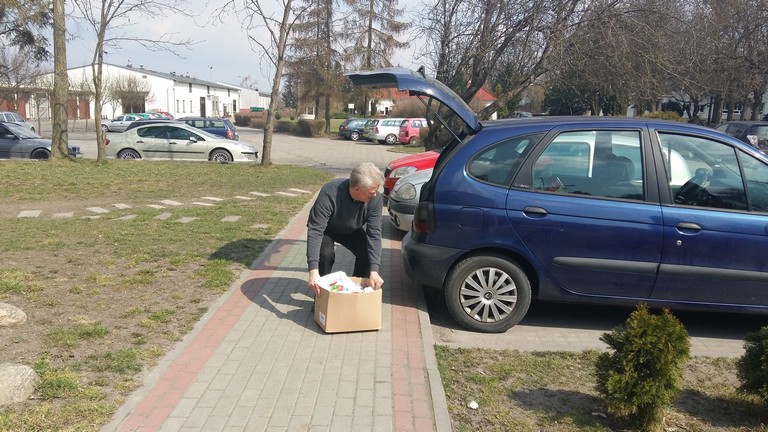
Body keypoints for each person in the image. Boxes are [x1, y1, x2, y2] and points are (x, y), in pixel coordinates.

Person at [307, 162, 386, 296]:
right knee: (325, 255)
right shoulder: (330, 192)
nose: (374, 195)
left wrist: (374, 270)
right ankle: (321, 296)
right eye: (371, 192)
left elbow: (374, 235)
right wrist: (313, 271)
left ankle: (354, 291)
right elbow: (315, 231)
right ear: (356, 189)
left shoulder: (375, 199)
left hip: (351, 230)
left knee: (368, 254)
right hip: (327, 228)